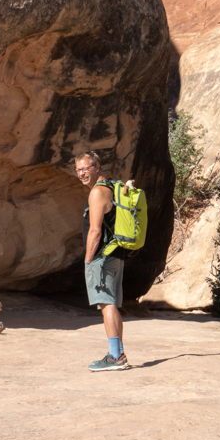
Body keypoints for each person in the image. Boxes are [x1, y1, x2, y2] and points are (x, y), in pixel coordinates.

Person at [75, 151, 133, 372]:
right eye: (78, 169)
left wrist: (89, 259)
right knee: (111, 304)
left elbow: (96, 231)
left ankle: (115, 357)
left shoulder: (97, 193)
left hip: (103, 256)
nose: (82, 173)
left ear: (97, 167)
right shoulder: (111, 187)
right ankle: (118, 354)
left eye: (86, 168)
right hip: (115, 253)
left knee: (106, 304)